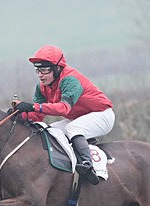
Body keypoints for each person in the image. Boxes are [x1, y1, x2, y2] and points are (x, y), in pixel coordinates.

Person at [11, 45, 114, 185]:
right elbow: (37, 116)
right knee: (50, 131)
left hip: (102, 115)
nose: (40, 74)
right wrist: (19, 116)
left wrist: (32, 106)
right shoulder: (41, 88)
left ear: (57, 68)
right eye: (38, 70)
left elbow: (63, 109)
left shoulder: (70, 80)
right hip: (79, 118)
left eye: (45, 70)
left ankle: (87, 164)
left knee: (73, 129)